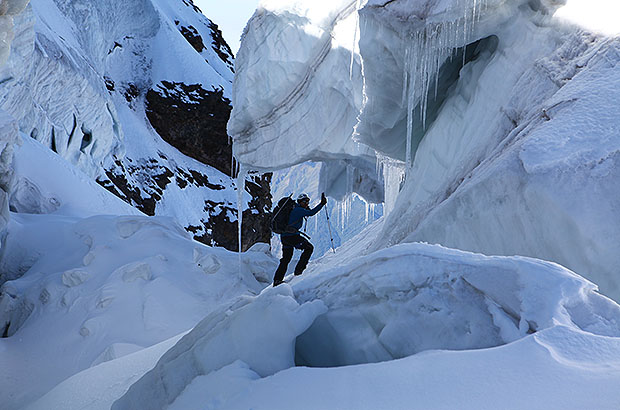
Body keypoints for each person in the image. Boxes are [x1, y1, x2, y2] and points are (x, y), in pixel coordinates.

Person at [273, 192, 327, 286]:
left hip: (285, 237)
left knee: (286, 259)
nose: (307, 203)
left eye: (308, 201)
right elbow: (311, 213)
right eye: (305, 201)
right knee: (309, 248)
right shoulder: (298, 210)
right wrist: (322, 204)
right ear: (300, 201)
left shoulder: (296, 209)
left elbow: (307, 212)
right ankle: (299, 271)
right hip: (292, 237)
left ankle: (277, 280)